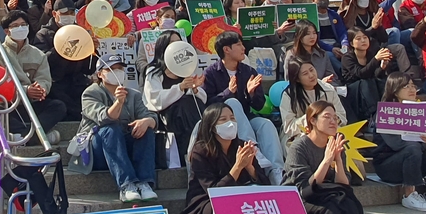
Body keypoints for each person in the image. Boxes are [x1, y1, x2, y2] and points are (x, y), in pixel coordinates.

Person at [180, 103, 266, 214]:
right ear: (212, 126)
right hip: (205, 201)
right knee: (221, 208)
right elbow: (213, 191)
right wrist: (237, 167)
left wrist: (250, 167)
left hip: (238, 195)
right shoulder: (200, 150)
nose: (230, 123)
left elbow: (264, 183)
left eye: (232, 118)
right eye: (223, 119)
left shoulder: (241, 145)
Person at [202, 31, 284, 183]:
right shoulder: (211, 73)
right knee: (232, 103)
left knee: (265, 124)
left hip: (246, 118)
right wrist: (228, 92)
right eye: (239, 44)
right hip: (223, 122)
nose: (243, 48)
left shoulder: (248, 71)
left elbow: (259, 105)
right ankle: (252, 148)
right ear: (226, 49)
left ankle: (276, 171)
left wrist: (251, 93)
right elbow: (208, 104)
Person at [78, 54, 158, 202]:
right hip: (98, 148)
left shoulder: (133, 94)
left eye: (120, 68)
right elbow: (104, 117)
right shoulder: (91, 93)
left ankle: (144, 183)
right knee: (110, 129)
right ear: (100, 74)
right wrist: (118, 102)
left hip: (124, 146)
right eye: (111, 69)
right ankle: (126, 184)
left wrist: (146, 121)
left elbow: (152, 117)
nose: (116, 72)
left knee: (145, 129)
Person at [372, 73, 426, 212]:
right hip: (388, 165)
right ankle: (409, 194)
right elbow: (395, 144)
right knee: (412, 148)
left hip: (413, 160)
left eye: (413, 86)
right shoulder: (385, 113)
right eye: (406, 86)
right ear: (395, 90)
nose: (412, 89)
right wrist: (421, 143)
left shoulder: (419, 112)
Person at [0, 10, 66, 143]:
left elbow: (44, 79)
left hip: (31, 103)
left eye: (23, 24)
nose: (21, 28)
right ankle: (39, 137)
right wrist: (25, 90)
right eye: (15, 25)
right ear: (7, 31)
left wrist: (40, 89)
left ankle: (24, 137)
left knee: (58, 106)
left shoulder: (38, 54)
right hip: (8, 104)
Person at [143, 38, 206, 166]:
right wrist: (180, 88)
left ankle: (202, 148)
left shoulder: (186, 69)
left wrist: (195, 89)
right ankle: (193, 153)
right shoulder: (154, 71)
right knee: (184, 105)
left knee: (194, 105)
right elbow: (154, 100)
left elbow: (203, 99)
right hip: (167, 115)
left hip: (190, 112)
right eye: (172, 43)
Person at [279, 61, 345, 146]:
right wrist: (310, 119)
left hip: (329, 133)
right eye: (305, 73)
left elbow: (342, 116)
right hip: (300, 135)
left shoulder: (328, 89)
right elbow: (289, 127)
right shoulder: (289, 95)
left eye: (312, 70)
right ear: (297, 79)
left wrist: (329, 120)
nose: (311, 75)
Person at [284, 20, 339, 85]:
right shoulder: (292, 55)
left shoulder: (322, 54)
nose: (312, 37)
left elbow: (333, 77)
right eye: (308, 34)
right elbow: (290, 81)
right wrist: (320, 84)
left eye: (314, 33)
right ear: (299, 36)